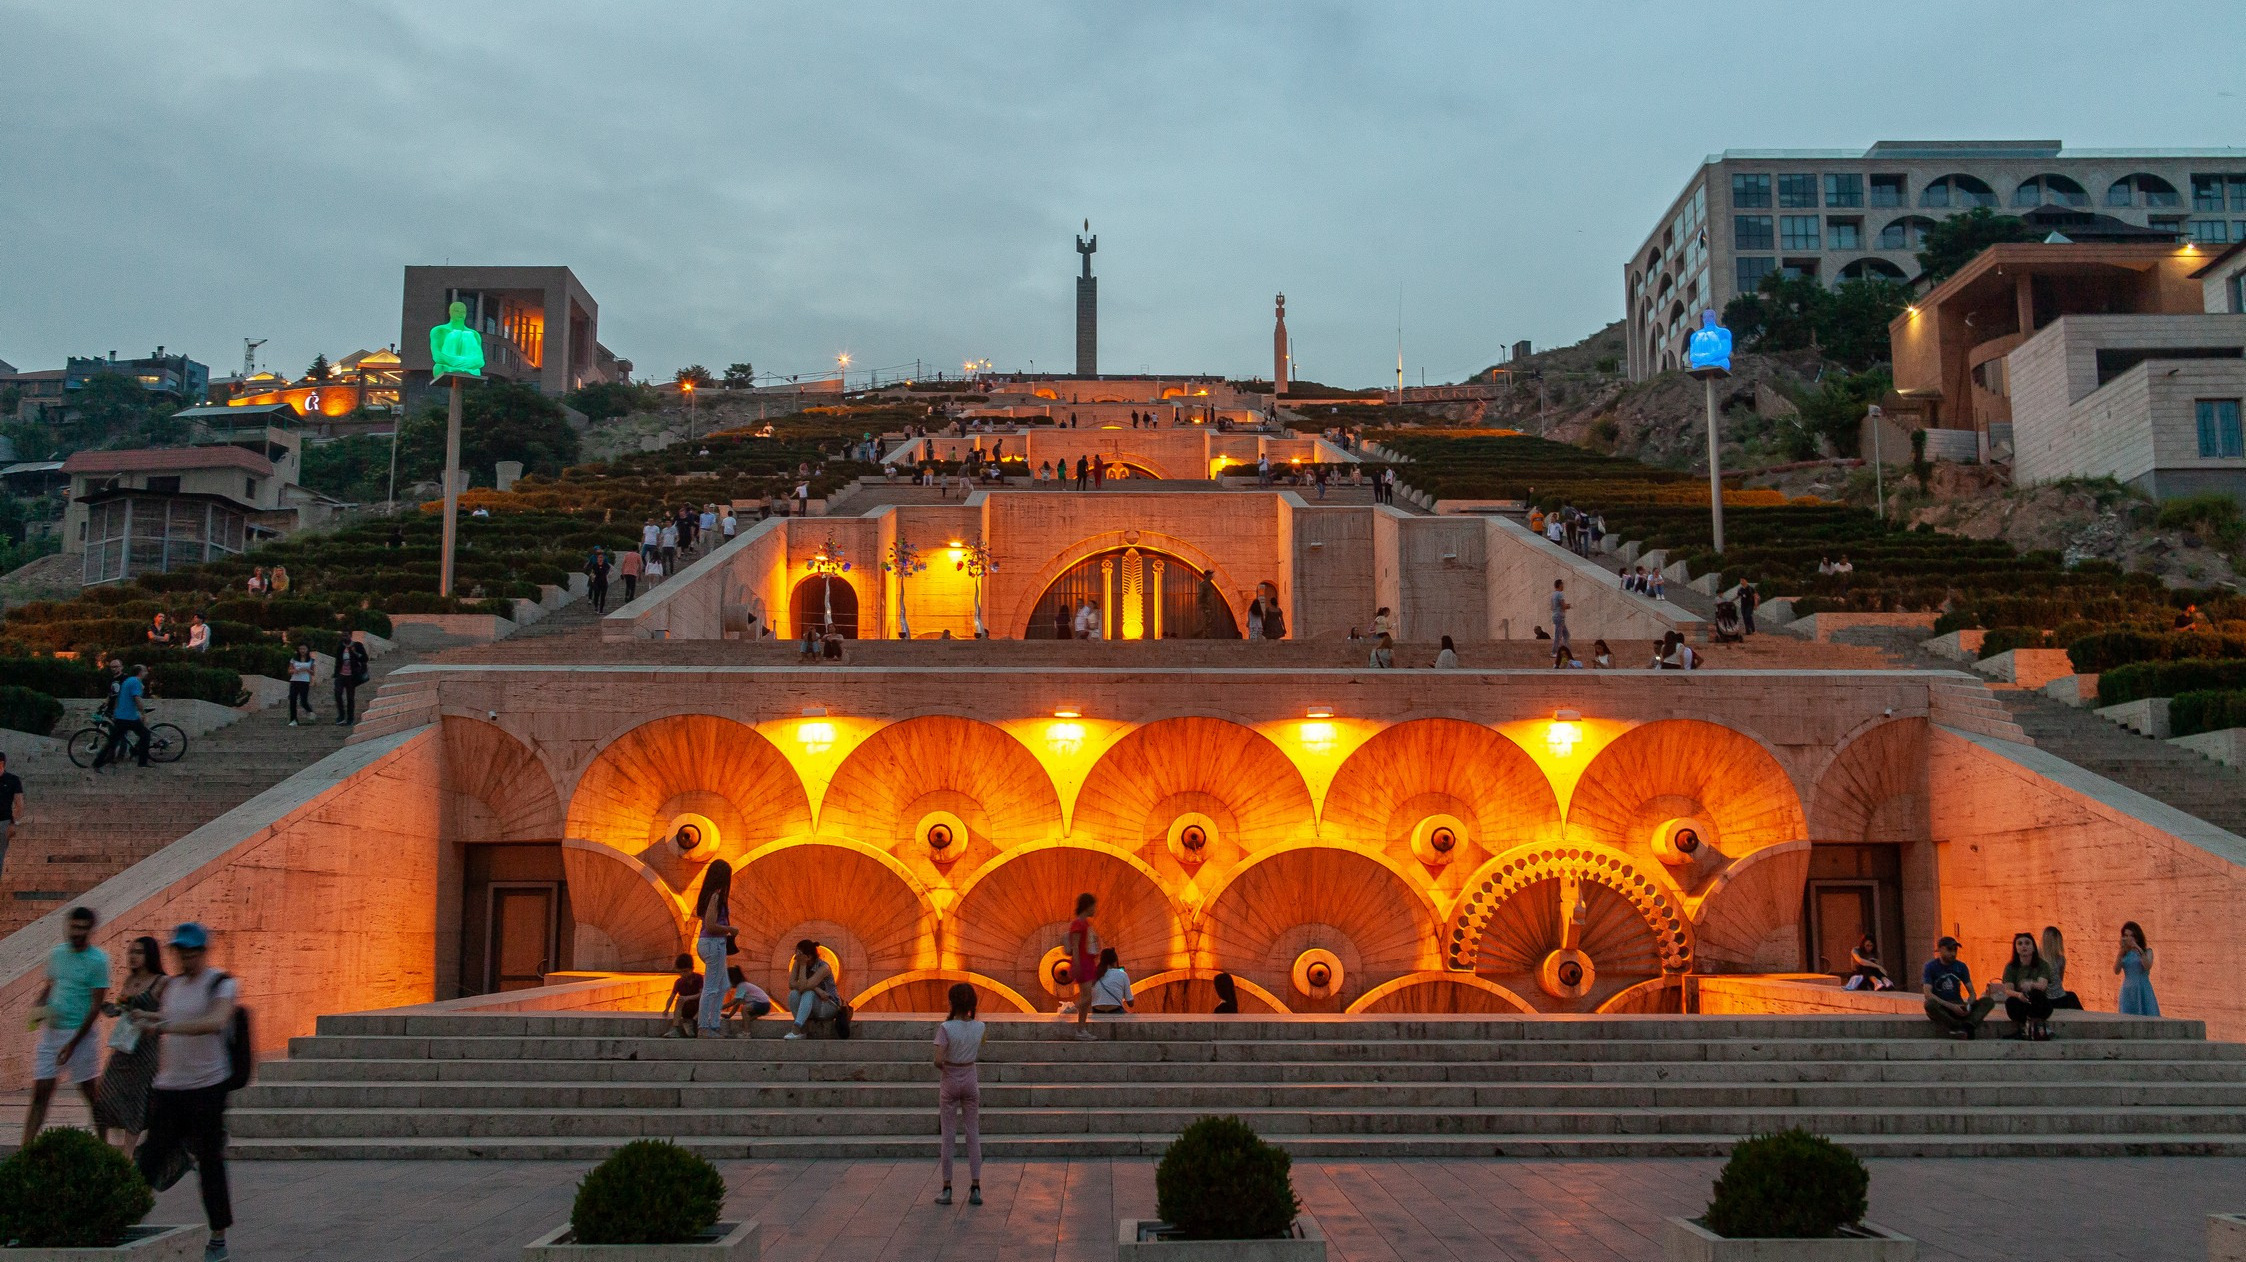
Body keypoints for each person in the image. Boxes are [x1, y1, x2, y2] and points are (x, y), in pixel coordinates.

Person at [130, 923, 236, 1262]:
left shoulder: (222, 984)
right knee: (149, 1158)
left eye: (191, 952)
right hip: (169, 1087)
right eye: (180, 952)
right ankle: (128, 1220)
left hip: (207, 1087)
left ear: (203, 952)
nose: (185, 958)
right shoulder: (172, 986)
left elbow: (214, 1021)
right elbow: (171, 1016)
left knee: (210, 1164)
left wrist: (162, 1026)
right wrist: (146, 1016)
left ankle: (217, 1237)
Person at [24, 906, 108, 1148]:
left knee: (91, 1094)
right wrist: (39, 1007)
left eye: (83, 928)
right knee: (40, 1093)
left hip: (81, 1035)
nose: (77, 932)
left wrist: (73, 1044)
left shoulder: (99, 960)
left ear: (90, 930)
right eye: (73, 927)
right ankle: (24, 1150)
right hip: (51, 1033)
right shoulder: (57, 954)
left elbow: (95, 1007)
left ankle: (105, 1148)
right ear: (67, 926)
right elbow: (51, 987)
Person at [93, 935, 168, 1159]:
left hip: (146, 1050)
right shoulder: (129, 981)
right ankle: (108, 1146)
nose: (133, 957)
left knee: (137, 1100)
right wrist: (110, 1009)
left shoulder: (161, 982)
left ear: (150, 955)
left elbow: (171, 1015)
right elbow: (123, 1010)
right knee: (105, 1095)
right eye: (131, 952)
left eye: (138, 952)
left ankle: (127, 1155)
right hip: (124, 1047)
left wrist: (148, 1017)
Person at [933, 982, 985, 1207]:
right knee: (973, 1133)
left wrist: (947, 1067)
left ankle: (947, 1188)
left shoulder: (946, 1028)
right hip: (970, 1076)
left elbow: (937, 1059)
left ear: (952, 1002)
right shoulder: (981, 1027)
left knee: (948, 1136)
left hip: (951, 1078)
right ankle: (975, 1186)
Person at [1922, 936, 1994, 1040]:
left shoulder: (1961, 966)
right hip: (1942, 1006)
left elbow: (1972, 993)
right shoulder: (1930, 966)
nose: (1953, 954)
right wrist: (1951, 1007)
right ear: (1940, 949)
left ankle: (1968, 1025)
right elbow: (1928, 994)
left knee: (1988, 1001)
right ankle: (1956, 1026)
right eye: (1949, 950)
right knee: (1929, 1005)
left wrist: (1969, 1005)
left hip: (1958, 1004)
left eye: (1955, 950)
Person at [693, 860, 733, 1037]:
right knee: (711, 987)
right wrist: (731, 930)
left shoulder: (707, 895)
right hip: (713, 943)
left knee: (723, 985)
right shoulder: (715, 896)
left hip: (712, 944)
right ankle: (703, 1027)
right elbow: (710, 925)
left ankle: (714, 1024)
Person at [2000, 931, 2056, 1041]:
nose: (2023, 946)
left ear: (2033, 947)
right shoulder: (2011, 967)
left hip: (2039, 1004)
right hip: (2022, 1002)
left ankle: (2034, 1026)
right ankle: (2027, 1028)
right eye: (2019, 944)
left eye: (2027, 943)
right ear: (2015, 948)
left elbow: (2042, 985)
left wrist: (2031, 984)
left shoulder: (2042, 965)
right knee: (2011, 1002)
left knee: (2036, 994)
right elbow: (2008, 990)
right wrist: (2019, 995)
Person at [94, 664, 152, 769]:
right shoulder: (135, 682)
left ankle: (98, 762)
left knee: (113, 740)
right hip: (128, 717)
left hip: (122, 716)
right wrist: (143, 713)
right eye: (145, 671)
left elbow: (118, 697)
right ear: (140, 672)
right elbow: (137, 699)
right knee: (145, 735)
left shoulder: (128, 681)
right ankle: (142, 762)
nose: (146, 673)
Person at [785, 940, 842, 1040]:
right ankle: (802, 1031)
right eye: (796, 952)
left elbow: (803, 987)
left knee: (808, 993)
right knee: (794, 994)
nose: (796, 956)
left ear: (809, 956)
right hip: (814, 1003)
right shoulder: (798, 963)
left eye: (799, 953)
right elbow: (791, 984)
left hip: (828, 1005)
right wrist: (817, 990)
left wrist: (802, 966)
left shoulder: (824, 967)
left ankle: (796, 1028)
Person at [1065, 893, 1100, 1041]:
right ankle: (1071, 1009)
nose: (1095, 909)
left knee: (1087, 997)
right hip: (1083, 963)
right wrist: (1077, 964)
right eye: (1093, 906)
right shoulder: (1078, 924)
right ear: (1087, 906)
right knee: (1088, 997)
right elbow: (1075, 946)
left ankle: (1081, 1029)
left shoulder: (1086, 924)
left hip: (1088, 962)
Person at [2115, 921, 2158, 1016]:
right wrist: (2121, 952)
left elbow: (2147, 966)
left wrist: (2138, 948)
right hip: (2128, 990)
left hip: (2142, 988)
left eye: (2132, 936)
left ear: (2137, 937)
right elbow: (2116, 970)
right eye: (2126, 935)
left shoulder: (2147, 951)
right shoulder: (2124, 953)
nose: (2128, 938)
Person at [723, 966, 772, 1035]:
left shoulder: (742, 986)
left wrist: (720, 1007)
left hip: (762, 1004)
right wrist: (729, 1015)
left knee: (744, 1009)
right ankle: (754, 1017)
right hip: (764, 1006)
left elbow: (734, 1002)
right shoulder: (742, 986)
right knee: (746, 1019)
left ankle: (746, 1032)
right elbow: (737, 1003)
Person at [334, 633, 369, 726]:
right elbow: (338, 660)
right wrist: (336, 673)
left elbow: (365, 659)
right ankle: (341, 716)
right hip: (341, 674)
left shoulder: (357, 645)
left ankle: (350, 718)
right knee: (337, 693)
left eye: (346, 635)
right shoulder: (340, 647)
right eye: (343, 636)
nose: (345, 638)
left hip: (352, 675)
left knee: (350, 698)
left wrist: (355, 652)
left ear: (350, 636)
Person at [2043, 926, 2081, 1010]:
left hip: (2058, 996)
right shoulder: (2041, 960)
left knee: (2072, 997)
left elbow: (2060, 980)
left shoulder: (2060, 959)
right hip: (2048, 998)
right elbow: (2060, 979)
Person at [664, 953, 703, 1038]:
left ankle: (691, 1023)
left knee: (705, 1001)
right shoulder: (679, 982)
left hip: (698, 1009)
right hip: (686, 1009)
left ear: (692, 969)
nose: (683, 974)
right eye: (681, 972)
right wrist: (666, 1008)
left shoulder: (699, 978)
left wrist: (688, 998)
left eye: (685, 971)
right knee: (679, 1001)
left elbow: (702, 994)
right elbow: (672, 996)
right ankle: (675, 1028)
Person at [1088, 948, 1134, 1014]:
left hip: (1097, 1012)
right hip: (1115, 1012)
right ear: (1115, 961)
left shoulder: (1094, 975)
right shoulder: (1122, 975)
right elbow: (1131, 1003)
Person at [0, 751, 22, 877]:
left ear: (1, 763)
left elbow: (19, 803)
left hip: (3, 823)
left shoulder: (12, 780)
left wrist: (14, 823)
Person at [286, 642, 316, 726]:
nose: (302, 651)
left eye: (304, 649)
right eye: (301, 649)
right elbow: (289, 670)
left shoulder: (311, 660)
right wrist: (294, 671)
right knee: (292, 700)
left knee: (303, 700)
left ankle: (310, 711)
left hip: (304, 681)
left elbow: (313, 672)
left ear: (307, 650)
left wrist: (307, 670)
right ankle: (293, 719)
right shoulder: (294, 659)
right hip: (294, 680)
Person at [585, 547, 612, 614]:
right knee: (596, 595)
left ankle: (601, 610)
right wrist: (592, 577)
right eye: (599, 558)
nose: (600, 559)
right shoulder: (595, 565)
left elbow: (610, 571)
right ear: (597, 558)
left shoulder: (606, 565)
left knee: (603, 596)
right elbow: (592, 572)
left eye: (602, 558)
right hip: (596, 582)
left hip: (604, 582)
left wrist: (609, 575)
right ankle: (596, 607)